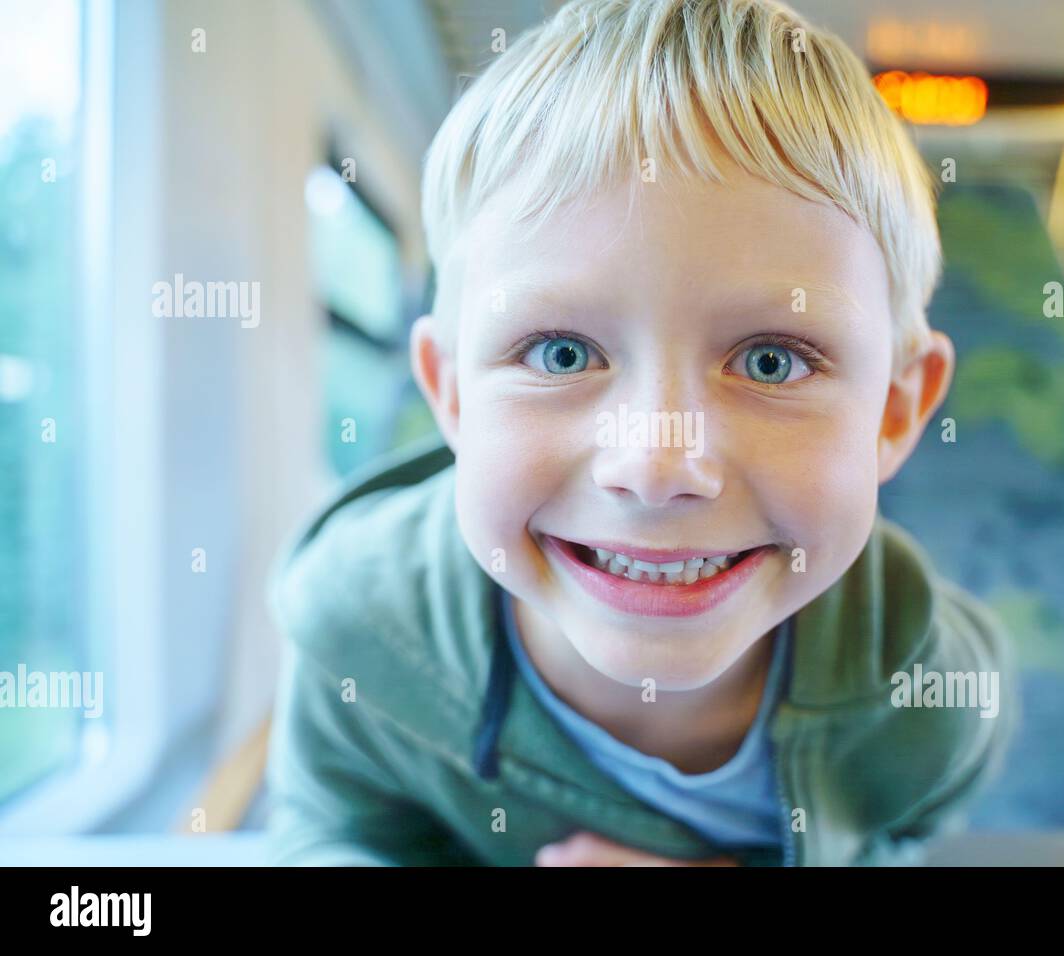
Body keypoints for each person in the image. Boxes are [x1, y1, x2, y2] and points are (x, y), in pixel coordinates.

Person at [265, 0, 1018, 866]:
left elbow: (906, 839)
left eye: (772, 360)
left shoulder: (927, 689)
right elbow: (335, 831)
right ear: (453, 398)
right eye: (559, 352)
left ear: (894, 411)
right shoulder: (359, 625)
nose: (657, 466)